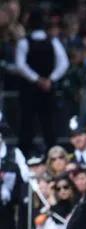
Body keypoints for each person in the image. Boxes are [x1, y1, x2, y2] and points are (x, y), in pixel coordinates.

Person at [15, 14, 69, 152]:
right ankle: (53, 151)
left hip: (29, 89)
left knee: (27, 123)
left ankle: (25, 153)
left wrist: (36, 79)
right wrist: (50, 79)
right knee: (48, 123)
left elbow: (20, 65)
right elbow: (64, 63)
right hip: (46, 88)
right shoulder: (53, 41)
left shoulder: (23, 42)